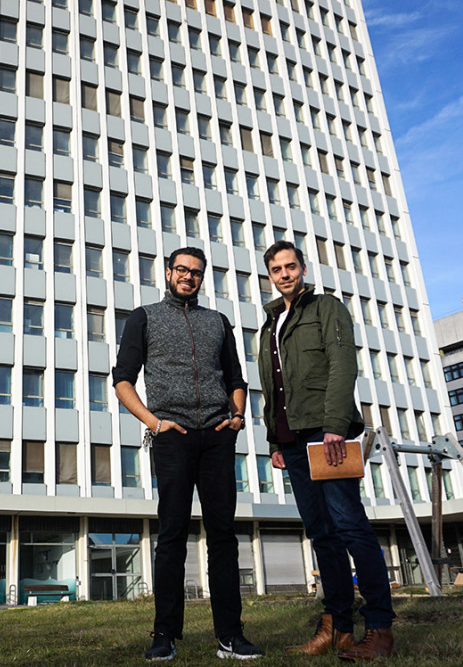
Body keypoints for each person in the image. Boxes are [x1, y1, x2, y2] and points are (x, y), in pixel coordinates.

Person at [113, 246, 262, 662]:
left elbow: (236, 377)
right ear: (168, 272)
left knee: (223, 537)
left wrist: (235, 416)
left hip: (217, 436)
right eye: (182, 270)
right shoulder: (144, 317)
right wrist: (154, 423)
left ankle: (230, 635)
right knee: (173, 535)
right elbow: (122, 379)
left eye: (196, 272)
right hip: (172, 435)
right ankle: (164, 634)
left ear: (201, 278)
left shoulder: (217, 322)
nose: (188, 277)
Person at [259, 240, 395, 661]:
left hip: (326, 433)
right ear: (269, 276)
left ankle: (379, 629)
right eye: (276, 269)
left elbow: (343, 364)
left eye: (290, 266)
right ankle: (336, 626)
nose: (284, 274)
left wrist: (336, 427)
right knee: (321, 533)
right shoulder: (271, 322)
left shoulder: (326, 308)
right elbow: (273, 387)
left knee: (349, 525)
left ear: (302, 268)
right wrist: (275, 440)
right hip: (293, 439)